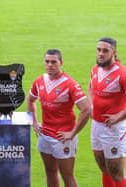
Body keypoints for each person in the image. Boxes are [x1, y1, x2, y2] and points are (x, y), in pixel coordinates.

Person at [27, 49, 91, 187]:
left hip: (63, 137)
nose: (50, 65)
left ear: (61, 63)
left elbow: (86, 109)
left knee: (67, 176)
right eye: (47, 61)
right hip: (45, 135)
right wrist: (34, 122)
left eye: (53, 62)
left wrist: (73, 133)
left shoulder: (70, 84)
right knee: (50, 172)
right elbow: (30, 100)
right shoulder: (39, 81)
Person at [88, 37, 126, 187]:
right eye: (99, 50)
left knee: (117, 173)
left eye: (105, 51)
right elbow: (90, 86)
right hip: (97, 126)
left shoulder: (122, 74)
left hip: (114, 130)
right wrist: (91, 106)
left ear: (114, 52)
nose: (101, 54)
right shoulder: (96, 69)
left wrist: (119, 116)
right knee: (104, 169)